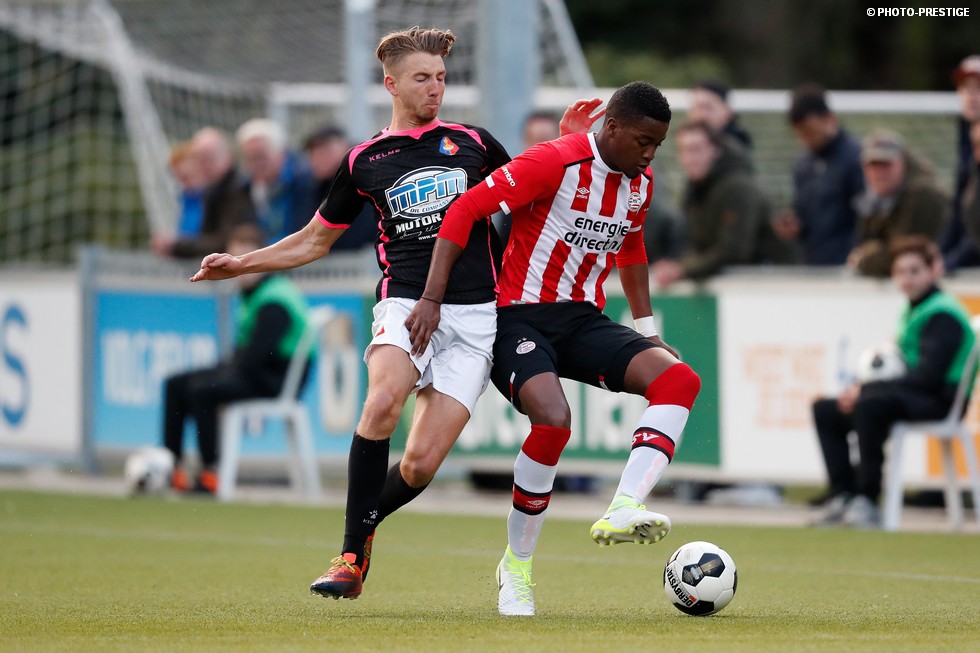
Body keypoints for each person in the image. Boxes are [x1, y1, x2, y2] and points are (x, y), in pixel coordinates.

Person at [189, 27, 600, 601]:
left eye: (441, 78)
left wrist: (566, 148)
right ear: (391, 84)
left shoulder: (473, 143)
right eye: (422, 78)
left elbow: (532, 194)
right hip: (405, 302)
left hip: (476, 317)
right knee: (383, 402)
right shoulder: (365, 160)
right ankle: (350, 557)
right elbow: (314, 240)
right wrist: (241, 263)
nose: (435, 88)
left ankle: (363, 528)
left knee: (419, 466)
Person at [406, 81, 701, 616]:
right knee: (554, 418)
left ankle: (625, 504)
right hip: (515, 316)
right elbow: (464, 210)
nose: (650, 154)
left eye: (658, 144)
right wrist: (432, 298)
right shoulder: (554, 161)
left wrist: (646, 328)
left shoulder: (640, 182)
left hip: (581, 319)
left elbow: (632, 248)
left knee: (679, 378)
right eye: (643, 141)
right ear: (611, 127)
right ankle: (516, 569)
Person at [811, 236, 976, 529]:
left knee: (870, 405)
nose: (907, 279)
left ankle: (867, 499)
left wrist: (866, 390)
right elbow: (900, 367)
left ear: (934, 270)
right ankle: (843, 494)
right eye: (900, 272)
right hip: (913, 394)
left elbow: (927, 378)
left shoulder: (943, 314)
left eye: (915, 271)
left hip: (941, 400)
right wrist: (860, 387)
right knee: (826, 409)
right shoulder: (915, 308)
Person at [163, 223, 310, 494]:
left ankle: (210, 474)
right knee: (175, 383)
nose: (237, 268)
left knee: (202, 390)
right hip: (258, 371)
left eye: (243, 260)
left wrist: (221, 372)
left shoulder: (275, 300)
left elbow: (257, 358)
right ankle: (172, 468)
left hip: (275, 379)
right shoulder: (255, 293)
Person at [652, 120, 790, 288]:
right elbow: (695, 244)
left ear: (716, 150)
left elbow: (733, 250)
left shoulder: (737, 188)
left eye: (696, 149)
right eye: (683, 150)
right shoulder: (695, 190)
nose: (689, 159)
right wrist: (676, 266)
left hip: (770, 286)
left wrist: (682, 270)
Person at [773, 83, 865, 266]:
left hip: (846, 268)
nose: (805, 140)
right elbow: (803, 215)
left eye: (810, 132)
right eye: (799, 134)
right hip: (812, 267)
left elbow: (866, 219)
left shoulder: (857, 158)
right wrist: (794, 226)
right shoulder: (803, 165)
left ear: (829, 119)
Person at [848, 129, 949, 278]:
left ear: (902, 163)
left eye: (886, 164)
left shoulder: (922, 195)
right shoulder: (874, 200)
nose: (879, 172)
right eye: (873, 165)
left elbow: (907, 255)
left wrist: (865, 259)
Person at [154, 127, 257, 259]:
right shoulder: (211, 191)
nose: (203, 166)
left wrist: (177, 246)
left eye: (208, 158)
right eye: (199, 160)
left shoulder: (240, 190)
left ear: (227, 155)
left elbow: (227, 242)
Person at [236, 118, 319, 244]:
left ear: (281, 152)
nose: (257, 164)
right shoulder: (244, 188)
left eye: (261, 156)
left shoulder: (307, 182)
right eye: (250, 158)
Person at [303, 125, 376, 251]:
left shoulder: (365, 180)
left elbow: (359, 236)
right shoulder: (314, 188)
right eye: (313, 153)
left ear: (345, 149)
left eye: (325, 152)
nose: (317, 159)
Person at [940, 55, 980, 272]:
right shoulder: (965, 135)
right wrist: (939, 254)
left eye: (978, 88)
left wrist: (954, 259)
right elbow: (959, 210)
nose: (971, 95)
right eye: (965, 88)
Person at [687, 79, 753, 151]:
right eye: (697, 107)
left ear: (727, 111)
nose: (702, 114)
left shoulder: (736, 148)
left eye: (708, 107)